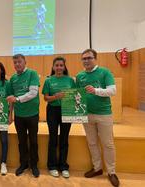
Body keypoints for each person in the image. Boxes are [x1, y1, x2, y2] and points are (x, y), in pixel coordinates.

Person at [76, 49, 119, 187]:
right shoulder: (80, 76)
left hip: (104, 114)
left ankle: (111, 172)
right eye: (84, 58)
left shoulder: (105, 72)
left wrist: (96, 91)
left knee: (108, 144)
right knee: (92, 143)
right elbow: (77, 95)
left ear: (95, 58)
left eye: (89, 58)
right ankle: (97, 168)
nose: (86, 61)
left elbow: (113, 90)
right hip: (86, 114)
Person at [7, 54, 40, 177]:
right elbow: (11, 99)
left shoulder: (32, 73)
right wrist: (10, 115)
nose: (17, 64)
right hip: (19, 116)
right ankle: (24, 164)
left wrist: (17, 99)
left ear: (25, 62)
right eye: (15, 63)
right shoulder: (13, 79)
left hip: (32, 114)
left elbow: (33, 93)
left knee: (33, 141)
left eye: (19, 62)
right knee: (21, 142)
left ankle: (34, 165)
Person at [42, 57, 75, 178]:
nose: (59, 67)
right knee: (53, 138)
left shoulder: (70, 80)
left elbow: (75, 96)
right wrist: (56, 96)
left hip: (67, 110)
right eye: (57, 65)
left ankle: (63, 166)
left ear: (64, 67)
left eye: (61, 65)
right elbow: (46, 98)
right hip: (52, 111)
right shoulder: (49, 80)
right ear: (53, 67)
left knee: (64, 138)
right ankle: (52, 166)